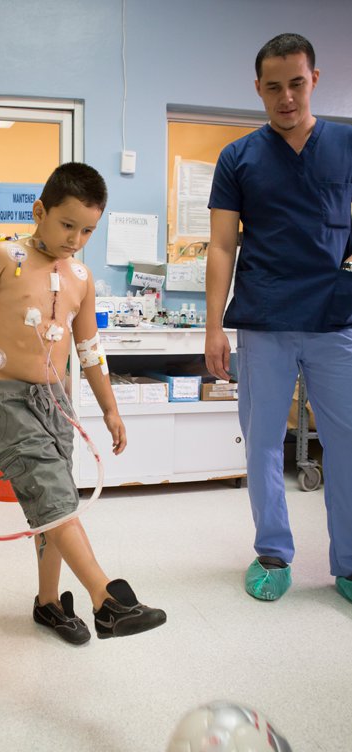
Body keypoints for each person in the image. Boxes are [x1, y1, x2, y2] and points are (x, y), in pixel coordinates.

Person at [0, 162, 166, 644]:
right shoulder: (2, 257)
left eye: (87, 230)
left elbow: (89, 350)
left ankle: (48, 603)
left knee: (55, 501)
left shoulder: (80, 277)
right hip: (7, 400)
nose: (75, 238)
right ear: (40, 211)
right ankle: (107, 599)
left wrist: (110, 408)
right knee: (54, 496)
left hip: (55, 403)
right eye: (66, 224)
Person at [205, 33, 352, 604]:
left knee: (344, 443)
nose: (286, 97)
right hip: (263, 319)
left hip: (335, 320)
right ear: (259, 89)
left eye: (296, 83)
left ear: (314, 79)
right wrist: (214, 326)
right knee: (263, 443)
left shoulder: (346, 145)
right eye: (273, 87)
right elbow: (221, 246)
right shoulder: (238, 157)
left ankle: (348, 562)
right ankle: (273, 551)